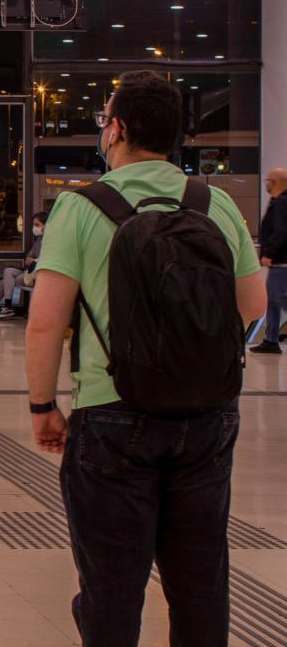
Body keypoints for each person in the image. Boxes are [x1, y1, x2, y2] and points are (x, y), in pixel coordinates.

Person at [25, 71, 265, 647]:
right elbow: (254, 305)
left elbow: (45, 321)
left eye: (104, 120)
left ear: (118, 130)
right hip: (207, 415)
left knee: (112, 585)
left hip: (112, 411)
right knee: (200, 582)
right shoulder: (214, 203)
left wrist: (42, 407)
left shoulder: (80, 207)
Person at [254, 166, 287, 353]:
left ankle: (271, 339)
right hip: (280, 261)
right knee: (273, 301)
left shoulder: (281, 202)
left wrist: (269, 253)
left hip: (281, 261)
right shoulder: (278, 200)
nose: (266, 184)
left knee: (276, 296)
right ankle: (271, 340)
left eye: (267, 181)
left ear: (273, 183)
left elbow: (281, 231)